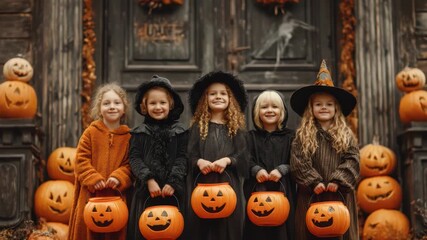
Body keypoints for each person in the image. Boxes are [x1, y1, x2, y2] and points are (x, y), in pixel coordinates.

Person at [289, 60, 360, 240]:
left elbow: (353, 159)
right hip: (311, 194)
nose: (324, 108)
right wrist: (314, 181)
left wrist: (339, 179)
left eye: (329, 104)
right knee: (310, 230)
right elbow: (298, 162)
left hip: (339, 193)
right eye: (318, 104)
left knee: (338, 229)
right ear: (311, 109)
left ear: (336, 108)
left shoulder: (346, 134)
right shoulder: (302, 136)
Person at [185, 71, 248, 240]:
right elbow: (189, 154)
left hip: (228, 186)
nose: (218, 97)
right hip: (202, 185)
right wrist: (199, 161)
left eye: (223, 94)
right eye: (212, 94)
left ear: (231, 99)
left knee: (228, 227)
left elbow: (243, 157)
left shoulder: (236, 128)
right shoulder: (198, 127)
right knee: (202, 227)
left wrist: (228, 160)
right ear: (205, 99)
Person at [68, 83, 133, 240]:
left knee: (115, 229)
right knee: (89, 229)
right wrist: (93, 178)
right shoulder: (91, 132)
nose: (112, 107)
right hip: (91, 195)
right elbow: (81, 160)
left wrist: (119, 177)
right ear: (99, 108)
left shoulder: (129, 137)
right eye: (106, 103)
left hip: (116, 195)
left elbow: (130, 164)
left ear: (124, 108)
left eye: (117, 103)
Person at [126, 75, 188, 240]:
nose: (158, 107)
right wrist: (149, 179)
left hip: (173, 192)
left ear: (171, 104)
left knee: (173, 228)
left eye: (162, 103)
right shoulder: (139, 133)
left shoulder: (180, 132)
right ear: (144, 106)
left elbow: (183, 158)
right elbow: (135, 158)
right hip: (147, 192)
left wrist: (173, 181)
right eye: (153, 103)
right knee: (147, 230)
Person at [243, 90, 296, 240]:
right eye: (264, 107)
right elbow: (244, 159)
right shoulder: (249, 137)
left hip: (283, 191)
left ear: (282, 111)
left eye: (275, 107)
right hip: (257, 194)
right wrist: (255, 169)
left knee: (282, 231)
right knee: (257, 231)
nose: (270, 110)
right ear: (256, 111)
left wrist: (283, 169)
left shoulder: (291, 137)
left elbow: (298, 161)